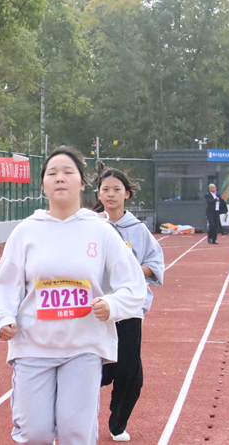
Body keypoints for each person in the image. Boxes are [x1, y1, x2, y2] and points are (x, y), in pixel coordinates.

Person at [0, 146, 147, 445]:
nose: (60, 178)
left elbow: (133, 284)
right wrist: (2, 317)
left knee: (76, 432)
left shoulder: (100, 231)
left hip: (83, 345)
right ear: (43, 184)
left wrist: (112, 304)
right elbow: (6, 283)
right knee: (34, 433)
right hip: (33, 345)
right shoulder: (26, 231)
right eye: (52, 173)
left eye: (67, 172)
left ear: (83, 183)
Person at [93, 164, 164, 442]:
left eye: (117, 189)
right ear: (98, 194)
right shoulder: (91, 227)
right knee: (94, 368)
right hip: (96, 309)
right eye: (105, 189)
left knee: (129, 369)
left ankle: (117, 422)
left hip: (129, 309)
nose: (111, 194)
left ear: (127, 194)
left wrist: (129, 270)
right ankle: (77, 417)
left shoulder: (138, 230)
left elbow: (154, 264)